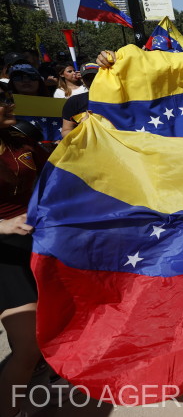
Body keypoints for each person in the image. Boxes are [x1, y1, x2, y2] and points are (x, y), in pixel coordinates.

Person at [0, 82, 49, 417]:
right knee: (27, 346)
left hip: (29, 247)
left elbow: (61, 173)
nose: (9, 102)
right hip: (2, 253)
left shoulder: (22, 139)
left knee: (34, 339)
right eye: (1, 100)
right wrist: (1, 226)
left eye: (7, 96)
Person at [61, 63, 99, 138]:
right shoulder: (74, 101)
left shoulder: (117, 99)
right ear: (82, 80)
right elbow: (66, 131)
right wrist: (81, 129)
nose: (92, 81)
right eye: (88, 78)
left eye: (96, 77)